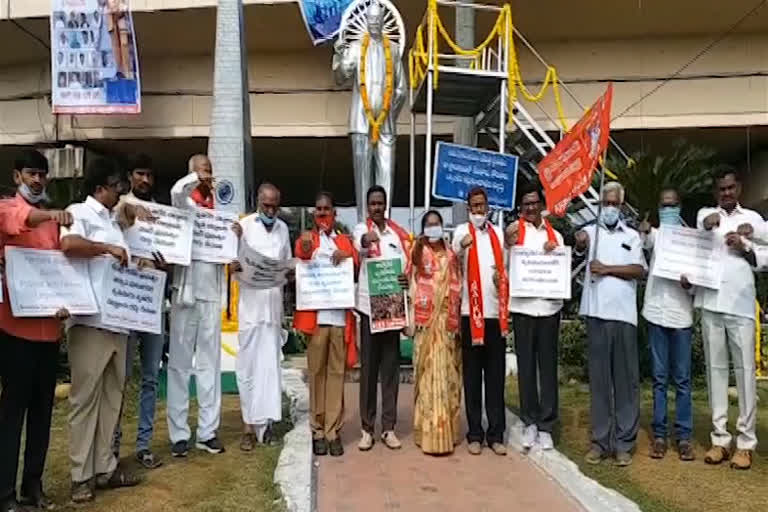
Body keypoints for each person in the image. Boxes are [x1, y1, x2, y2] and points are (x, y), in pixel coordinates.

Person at [60, 158, 142, 504]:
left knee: (112, 400)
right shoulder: (78, 212)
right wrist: (106, 248)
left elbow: (126, 259)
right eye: (114, 186)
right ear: (99, 188)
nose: (119, 191)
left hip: (119, 321)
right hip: (89, 320)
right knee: (85, 401)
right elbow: (68, 246)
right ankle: (81, 476)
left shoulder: (114, 221)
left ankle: (105, 468)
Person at [0, 151, 73, 512]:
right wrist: (52, 213)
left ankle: (33, 487)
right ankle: (5, 494)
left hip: (49, 332)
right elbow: (21, 220)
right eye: (31, 174)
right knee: (12, 415)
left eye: (42, 175)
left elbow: (58, 268)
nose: (37, 180)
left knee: (42, 415)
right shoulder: (6, 209)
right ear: (17, 177)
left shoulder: (52, 224)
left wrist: (65, 301)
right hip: (14, 330)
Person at [167, 155, 240, 457]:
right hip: (185, 295)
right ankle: (179, 434)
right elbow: (175, 193)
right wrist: (195, 180)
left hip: (211, 295)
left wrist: (234, 240)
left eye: (211, 171)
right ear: (192, 174)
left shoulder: (218, 212)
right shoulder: (186, 206)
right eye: (203, 171)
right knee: (180, 366)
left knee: (210, 365)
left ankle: (208, 432)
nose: (209, 176)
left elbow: (228, 249)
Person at [574, 181, 647, 467]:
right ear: (600, 204)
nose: (610, 208)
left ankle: (624, 443)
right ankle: (600, 441)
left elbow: (638, 269)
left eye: (615, 203)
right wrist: (580, 241)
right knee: (600, 381)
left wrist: (607, 269)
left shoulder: (631, 235)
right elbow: (578, 244)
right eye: (606, 203)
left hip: (624, 316)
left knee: (626, 382)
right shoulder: (590, 233)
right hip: (596, 314)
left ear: (621, 205)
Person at [696, 170, 764, 470]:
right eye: (721, 188)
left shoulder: (754, 219)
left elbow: (764, 259)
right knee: (716, 372)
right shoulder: (705, 214)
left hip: (741, 304)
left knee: (745, 372)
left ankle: (746, 443)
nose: (726, 192)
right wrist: (707, 224)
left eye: (731, 187)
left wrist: (745, 246)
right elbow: (696, 234)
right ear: (716, 191)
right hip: (711, 302)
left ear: (739, 188)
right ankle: (719, 439)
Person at [111, 154, 168, 470]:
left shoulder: (161, 213)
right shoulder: (119, 205)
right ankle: (113, 444)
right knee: (120, 377)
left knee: (150, 377)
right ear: (130, 176)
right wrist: (134, 211)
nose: (145, 180)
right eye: (139, 174)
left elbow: (170, 255)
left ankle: (144, 445)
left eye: (149, 174)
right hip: (127, 302)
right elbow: (121, 216)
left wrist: (164, 263)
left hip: (154, 301)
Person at [294, 191, 358, 457]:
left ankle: (333, 429)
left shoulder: (344, 240)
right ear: (313, 214)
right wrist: (308, 244)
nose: (323, 214)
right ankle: (317, 429)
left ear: (334, 213)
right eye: (318, 209)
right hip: (317, 320)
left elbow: (355, 260)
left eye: (327, 209)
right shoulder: (308, 238)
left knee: (336, 375)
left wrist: (346, 254)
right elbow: (302, 252)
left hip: (339, 320)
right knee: (316, 374)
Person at [638, 188, 696, 461]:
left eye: (672, 205)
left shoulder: (692, 241)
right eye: (664, 206)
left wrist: (690, 284)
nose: (668, 209)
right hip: (657, 313)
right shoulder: (656, 236)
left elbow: (701, 279)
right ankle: (659, 435)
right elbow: (645, 242)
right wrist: (646, 230)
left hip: (682, 315)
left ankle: (684, 437)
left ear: (680, 208)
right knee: (660, 379)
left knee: (682, 380)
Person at [506, 184, 564, 451]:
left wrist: (555, 253)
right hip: (523, 308)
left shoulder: (557, 236)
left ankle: (546, 425)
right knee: (526, 367)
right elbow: (505, 264)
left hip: (549, 308)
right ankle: (530, 420)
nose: (529, 208)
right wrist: (508, 244)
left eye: (533, 203)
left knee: (548, 368)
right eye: (525, 204)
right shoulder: (514, 233)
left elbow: (562, 267)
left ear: (541, 205)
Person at [452, 187, 509, 456]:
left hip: (495, 315)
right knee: (473, 377)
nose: (478, 211)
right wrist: (462, 247)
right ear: (468, 208)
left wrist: (501, 278)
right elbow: (453, 254)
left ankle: (496, 434)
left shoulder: (497, 234)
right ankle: (475, 432)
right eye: (474, 206)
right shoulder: (462, 232)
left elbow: (504, 269)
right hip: (469, 314)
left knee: (495, 378)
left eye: (482, 206)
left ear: (488, 207)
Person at [353, 185, 410, 451]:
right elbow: (360, 244)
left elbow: (407, 267)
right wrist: (367, 240)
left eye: (380, 203)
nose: (376, 207)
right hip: (368, 309)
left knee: (390, 370)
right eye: (372, 203)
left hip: (392, 312)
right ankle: (367, 428)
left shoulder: (397, 235)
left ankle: (388, 428)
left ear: (386, 205)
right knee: (368, 370)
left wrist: (404, 278)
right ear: (368, 207)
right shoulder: (359, 229)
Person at [233, 184, 289, 450]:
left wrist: (289, 272)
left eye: (274, 205)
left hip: (273, 309)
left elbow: (286, 264)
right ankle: (247, 425)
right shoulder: (243, 226)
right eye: (266, 205)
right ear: (258, 201)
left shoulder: (283, 229)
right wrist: (235, 266)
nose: (270, 210)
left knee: (270, 368)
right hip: (250, 308)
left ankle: (265, 427)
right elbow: (233, 262)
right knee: (247, 367)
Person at [409, 210, 462, 455]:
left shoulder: (452, 255)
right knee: (427, 378)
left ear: (443, 226)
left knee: (448, 377)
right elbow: (410, 281)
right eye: (428, 225)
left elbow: (458, 285)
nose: (433, 228)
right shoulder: (418, 253)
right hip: (425, 325)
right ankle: (426, 432)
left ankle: (447, 432)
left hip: (446, 325)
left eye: (437, 224)